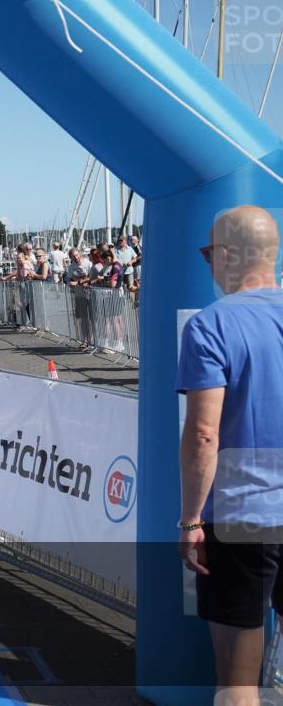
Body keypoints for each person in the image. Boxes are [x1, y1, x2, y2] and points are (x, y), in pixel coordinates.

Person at [176, 205, 283, 705]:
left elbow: (203, 434)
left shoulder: (212, 325)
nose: (207, 263)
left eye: (207, 253)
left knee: (236, 674)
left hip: (243, 514)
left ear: (227, 255)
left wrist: (190, 520)